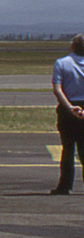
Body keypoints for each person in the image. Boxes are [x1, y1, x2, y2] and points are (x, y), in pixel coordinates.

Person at [50, 35, 84, 194]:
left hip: (68, 108)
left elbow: (58, 89)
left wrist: (70, 107)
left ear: (72, 46)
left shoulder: (61, 63)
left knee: (68, 149)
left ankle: (64, 186)